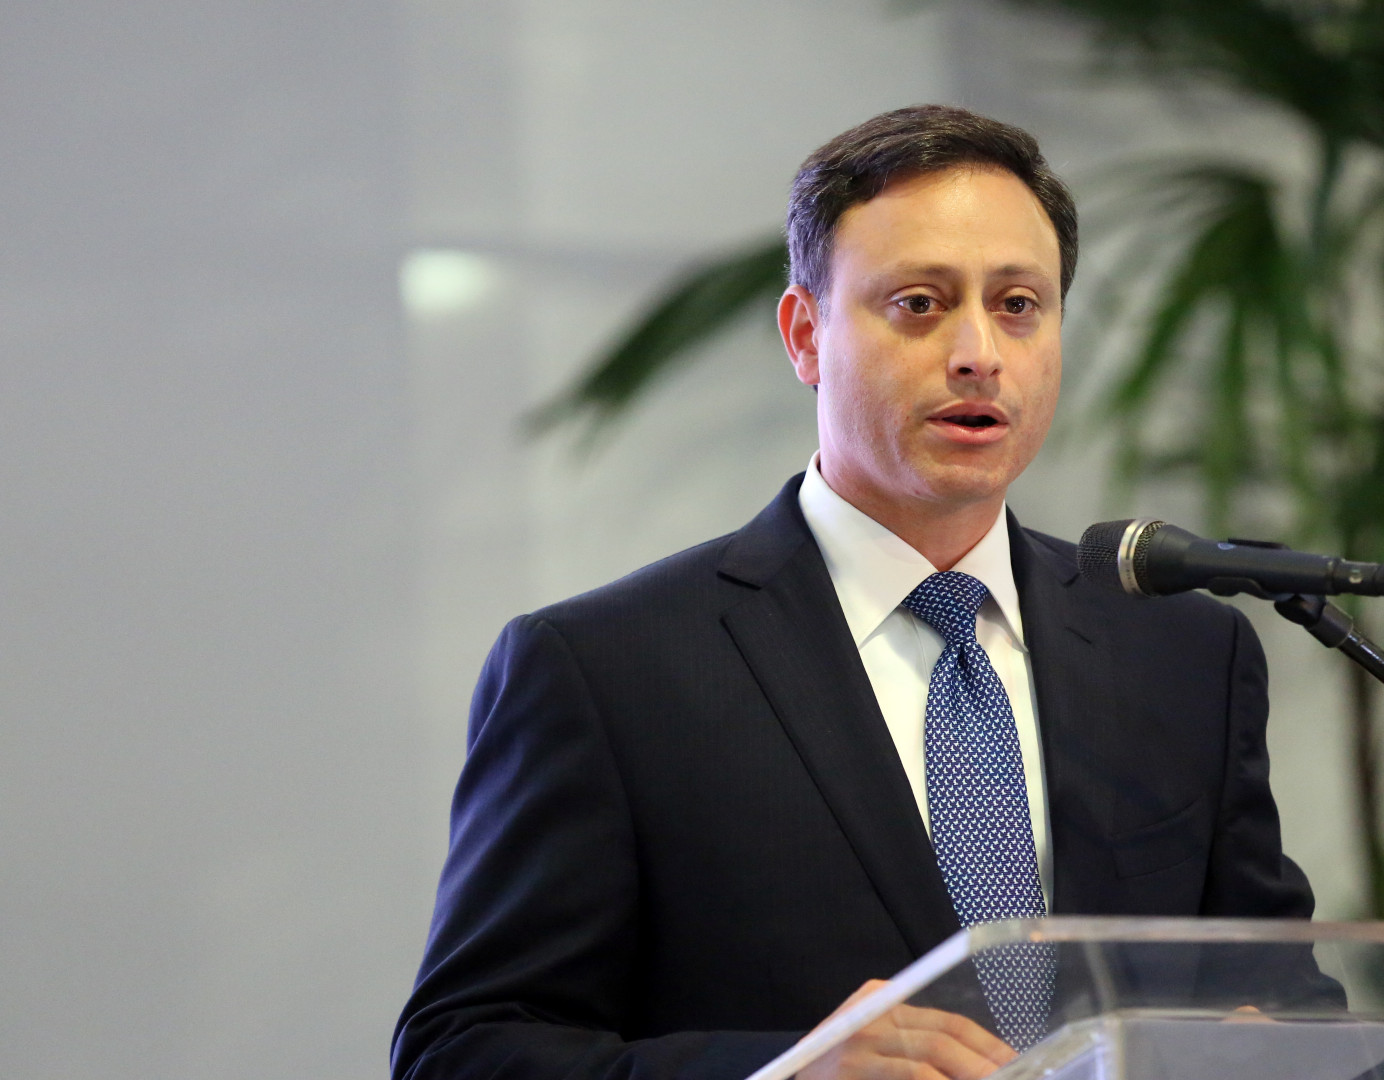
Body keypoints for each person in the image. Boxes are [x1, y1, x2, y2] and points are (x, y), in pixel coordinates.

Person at [391, 104, 1325, 1080]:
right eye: (919, 303)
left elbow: (1290, 1003)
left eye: (1018, 304)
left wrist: (1276, 1048)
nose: (979, 352)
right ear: (806, 335)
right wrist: (790, 1074)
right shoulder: (605, 672)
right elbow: (463, 1053)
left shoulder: (1181, 653)